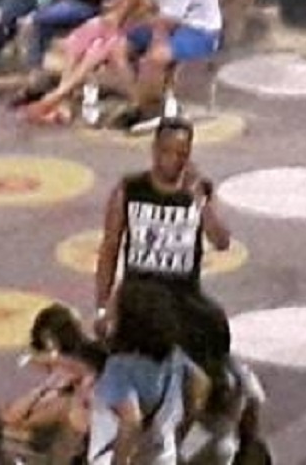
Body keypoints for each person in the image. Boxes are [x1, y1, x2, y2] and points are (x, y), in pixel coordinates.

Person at [95, 117, 233, 395]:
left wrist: (200, 202)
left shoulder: (200, 190)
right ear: (154, 150)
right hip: (138, 298)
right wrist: (103, 306)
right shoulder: (129, 190)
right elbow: (109, 249)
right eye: (167, 152)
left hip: (182, 295)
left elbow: (221, 241)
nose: (173, 160)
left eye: (182, 154)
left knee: (216, 327)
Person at [103, 0, 222, 129]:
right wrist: (117, 18)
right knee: (118, 48)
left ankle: (149, 109)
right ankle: (138, 102)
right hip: (168, 22)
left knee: (155, 59)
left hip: (199, 30)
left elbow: (168, 23)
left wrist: (153, 49)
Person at [88, 280, 210, 465]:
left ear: (127, 319)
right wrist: (181, 432)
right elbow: (201, 384)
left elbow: (131, 421)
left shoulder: (119, 368)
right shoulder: (174, 356)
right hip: (164, 456)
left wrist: (120, 461)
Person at [0, 303, 107, 464]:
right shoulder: (62, 379)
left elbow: (17, 419)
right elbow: (15, 414)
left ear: (49, 339)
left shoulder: (76, 387)